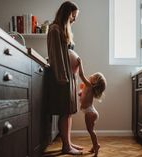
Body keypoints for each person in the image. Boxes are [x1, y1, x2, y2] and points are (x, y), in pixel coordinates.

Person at [47, 1, 82, 155]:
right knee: (64, 112)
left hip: (69, 76)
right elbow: (56, 56)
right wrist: (63, 77)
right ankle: (66, 147)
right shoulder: (54, 29)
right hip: (63, 77)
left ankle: (68, 141)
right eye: (73, 15)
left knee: (69, 112)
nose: (74, 19)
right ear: (67, 13)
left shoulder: (63, 30)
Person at [77, 58, 107, 156]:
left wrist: (80, 63)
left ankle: (96, 146)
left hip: (90, 112)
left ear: (94, 81)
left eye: (94, 75)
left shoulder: (89, 85)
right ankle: (94, 146)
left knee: (90, 131)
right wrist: (81, 93)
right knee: (91, 131)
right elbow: (83, 96)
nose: (91, 75)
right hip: (91, 111)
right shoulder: (88, 87)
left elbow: (81, 75)